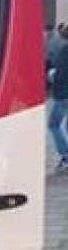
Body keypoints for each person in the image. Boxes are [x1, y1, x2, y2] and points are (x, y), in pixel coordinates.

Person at [50, 25, 68, 173]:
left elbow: (60, 74)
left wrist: (52, 80)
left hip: (64, 94)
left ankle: (66, 155)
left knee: (54, 124)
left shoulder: (65, 51)